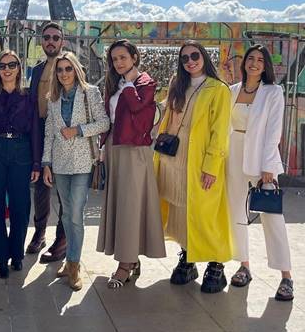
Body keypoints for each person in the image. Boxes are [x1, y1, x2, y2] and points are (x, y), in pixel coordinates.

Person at [154, 41, 232, 293]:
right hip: (174, 158)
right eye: (185, 58)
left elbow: (219, 131)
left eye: (195, 55)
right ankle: (188, 256)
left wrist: (211, 166)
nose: (190, 61)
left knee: (206, 213)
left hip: (200, 160)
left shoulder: (218, 89)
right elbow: (165, 116)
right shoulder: (178, 85)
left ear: (204, 57)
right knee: (180, 208)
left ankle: (216, 264)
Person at [97, 40, 166, 288]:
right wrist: (104, 145)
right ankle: (130, 258)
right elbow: (112, 118)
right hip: (116, 147)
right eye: (114, 59)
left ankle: (125, 264)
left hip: (135, 150)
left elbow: (138, 108)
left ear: (134, 57)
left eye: (123, 57)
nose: (118, 63)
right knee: (121, 204)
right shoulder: (115, 84)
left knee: (130, 205)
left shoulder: (145, 83)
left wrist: (127, 85)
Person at [226, 45, 293, 301]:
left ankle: (286, 277)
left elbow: (274, 130)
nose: (254, 63)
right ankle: (244, 265)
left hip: (262, 161)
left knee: (272, 217)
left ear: (266, 66)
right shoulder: (232, 91)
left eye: (260, 60)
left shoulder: (273, 92)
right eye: (250, 58)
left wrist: (268, 165)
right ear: (244, 63)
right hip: (233, 158)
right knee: (236, 214)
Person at [42, 52, 109, 290]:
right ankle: (71, 259)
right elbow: (49, 132)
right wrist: (46, 163)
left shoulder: (90, 92)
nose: (64, 74)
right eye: (59, 70)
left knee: (75, 214)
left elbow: (104, 123)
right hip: (59, 164)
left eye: (68, 69)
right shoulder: (53, 98)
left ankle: (74, 264)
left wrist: (78, 130)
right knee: (66, 213)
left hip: (82, 163)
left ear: (76, 70)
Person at [0, 50, 41, 278]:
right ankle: (1, 257)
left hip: (21, 153)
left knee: (21, 207)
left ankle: (17, 254)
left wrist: (36, 163)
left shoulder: (28, 97)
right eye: (3, 66)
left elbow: (34, 132)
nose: (7, 69)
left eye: (12, 65)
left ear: (19, 68)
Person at [27, 22, 67, 263]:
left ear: (62, 41)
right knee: (41, 187)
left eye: (55, 37)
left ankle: (61, 239)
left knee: (62, 188)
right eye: (47, 37)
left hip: (63, 134)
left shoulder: (70, 67)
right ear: (42, 41)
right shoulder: (37, 69)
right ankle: (40, 232)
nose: (51, 41)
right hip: (40, 132)